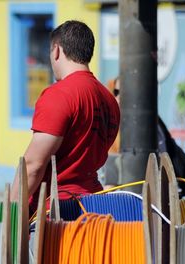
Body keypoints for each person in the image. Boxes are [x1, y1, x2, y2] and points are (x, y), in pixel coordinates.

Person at [10, 20, 120, 214]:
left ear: (57, 50)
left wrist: (10, 215)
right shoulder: (109, 101)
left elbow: (33, 165)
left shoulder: (59, 95)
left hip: (55, 213)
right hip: (94, 208)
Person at [107, 77, 185, 196]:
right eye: (116, 92)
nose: (121, 96)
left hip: (157, 194)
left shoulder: (151, 121)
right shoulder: (113, 124)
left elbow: (165, 155)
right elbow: (110, 174)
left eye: (127, 92)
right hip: (128, 197)